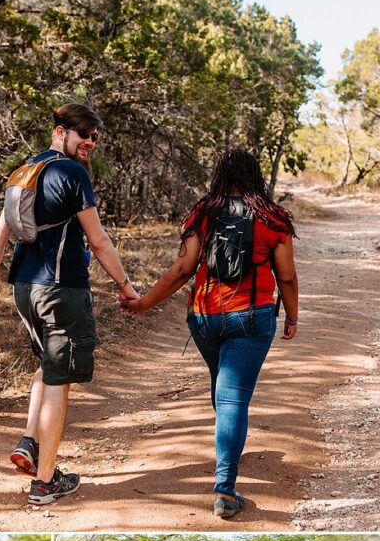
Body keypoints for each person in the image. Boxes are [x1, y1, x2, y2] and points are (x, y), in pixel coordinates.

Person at [0, 103, 140, 506]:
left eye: (94, 137)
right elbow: (98, 240)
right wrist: (125, 285)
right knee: (60, 381)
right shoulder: (71, 173)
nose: (90, 143)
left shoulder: (25, 170)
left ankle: (29, 442)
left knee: (47, 366)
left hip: (24, 286)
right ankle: (44, 484)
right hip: (61, 290)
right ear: (60, 132)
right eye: (83, 135)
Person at [122, 149, 299, 518]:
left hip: (204, 317)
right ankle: (225, 489)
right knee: (232, 399)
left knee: (223, 386)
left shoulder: (204, 212)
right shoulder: (273, 218)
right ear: (256, 176)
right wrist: (292, 317)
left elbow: (181, 270)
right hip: (252, 318)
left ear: (219, 175)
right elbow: (286, 276)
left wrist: (143, 303)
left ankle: (228, 446)